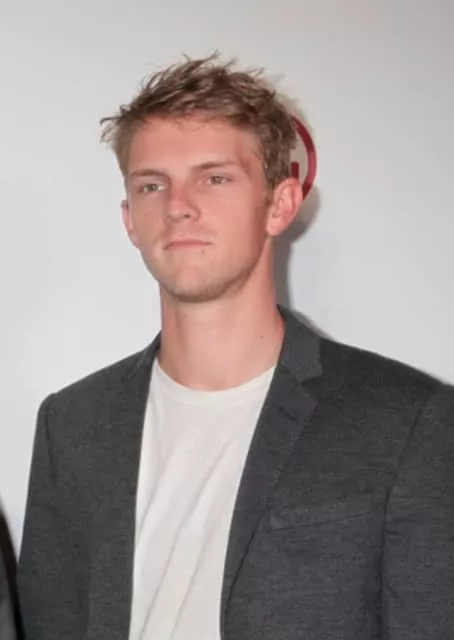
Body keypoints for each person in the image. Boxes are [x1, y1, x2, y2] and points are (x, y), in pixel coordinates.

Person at [18, 54, 454, 640]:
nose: (178, 205)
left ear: (280, 204)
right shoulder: (71, 426)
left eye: (215, 178)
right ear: (130, 220)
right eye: (152, 184)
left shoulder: (407, 423)